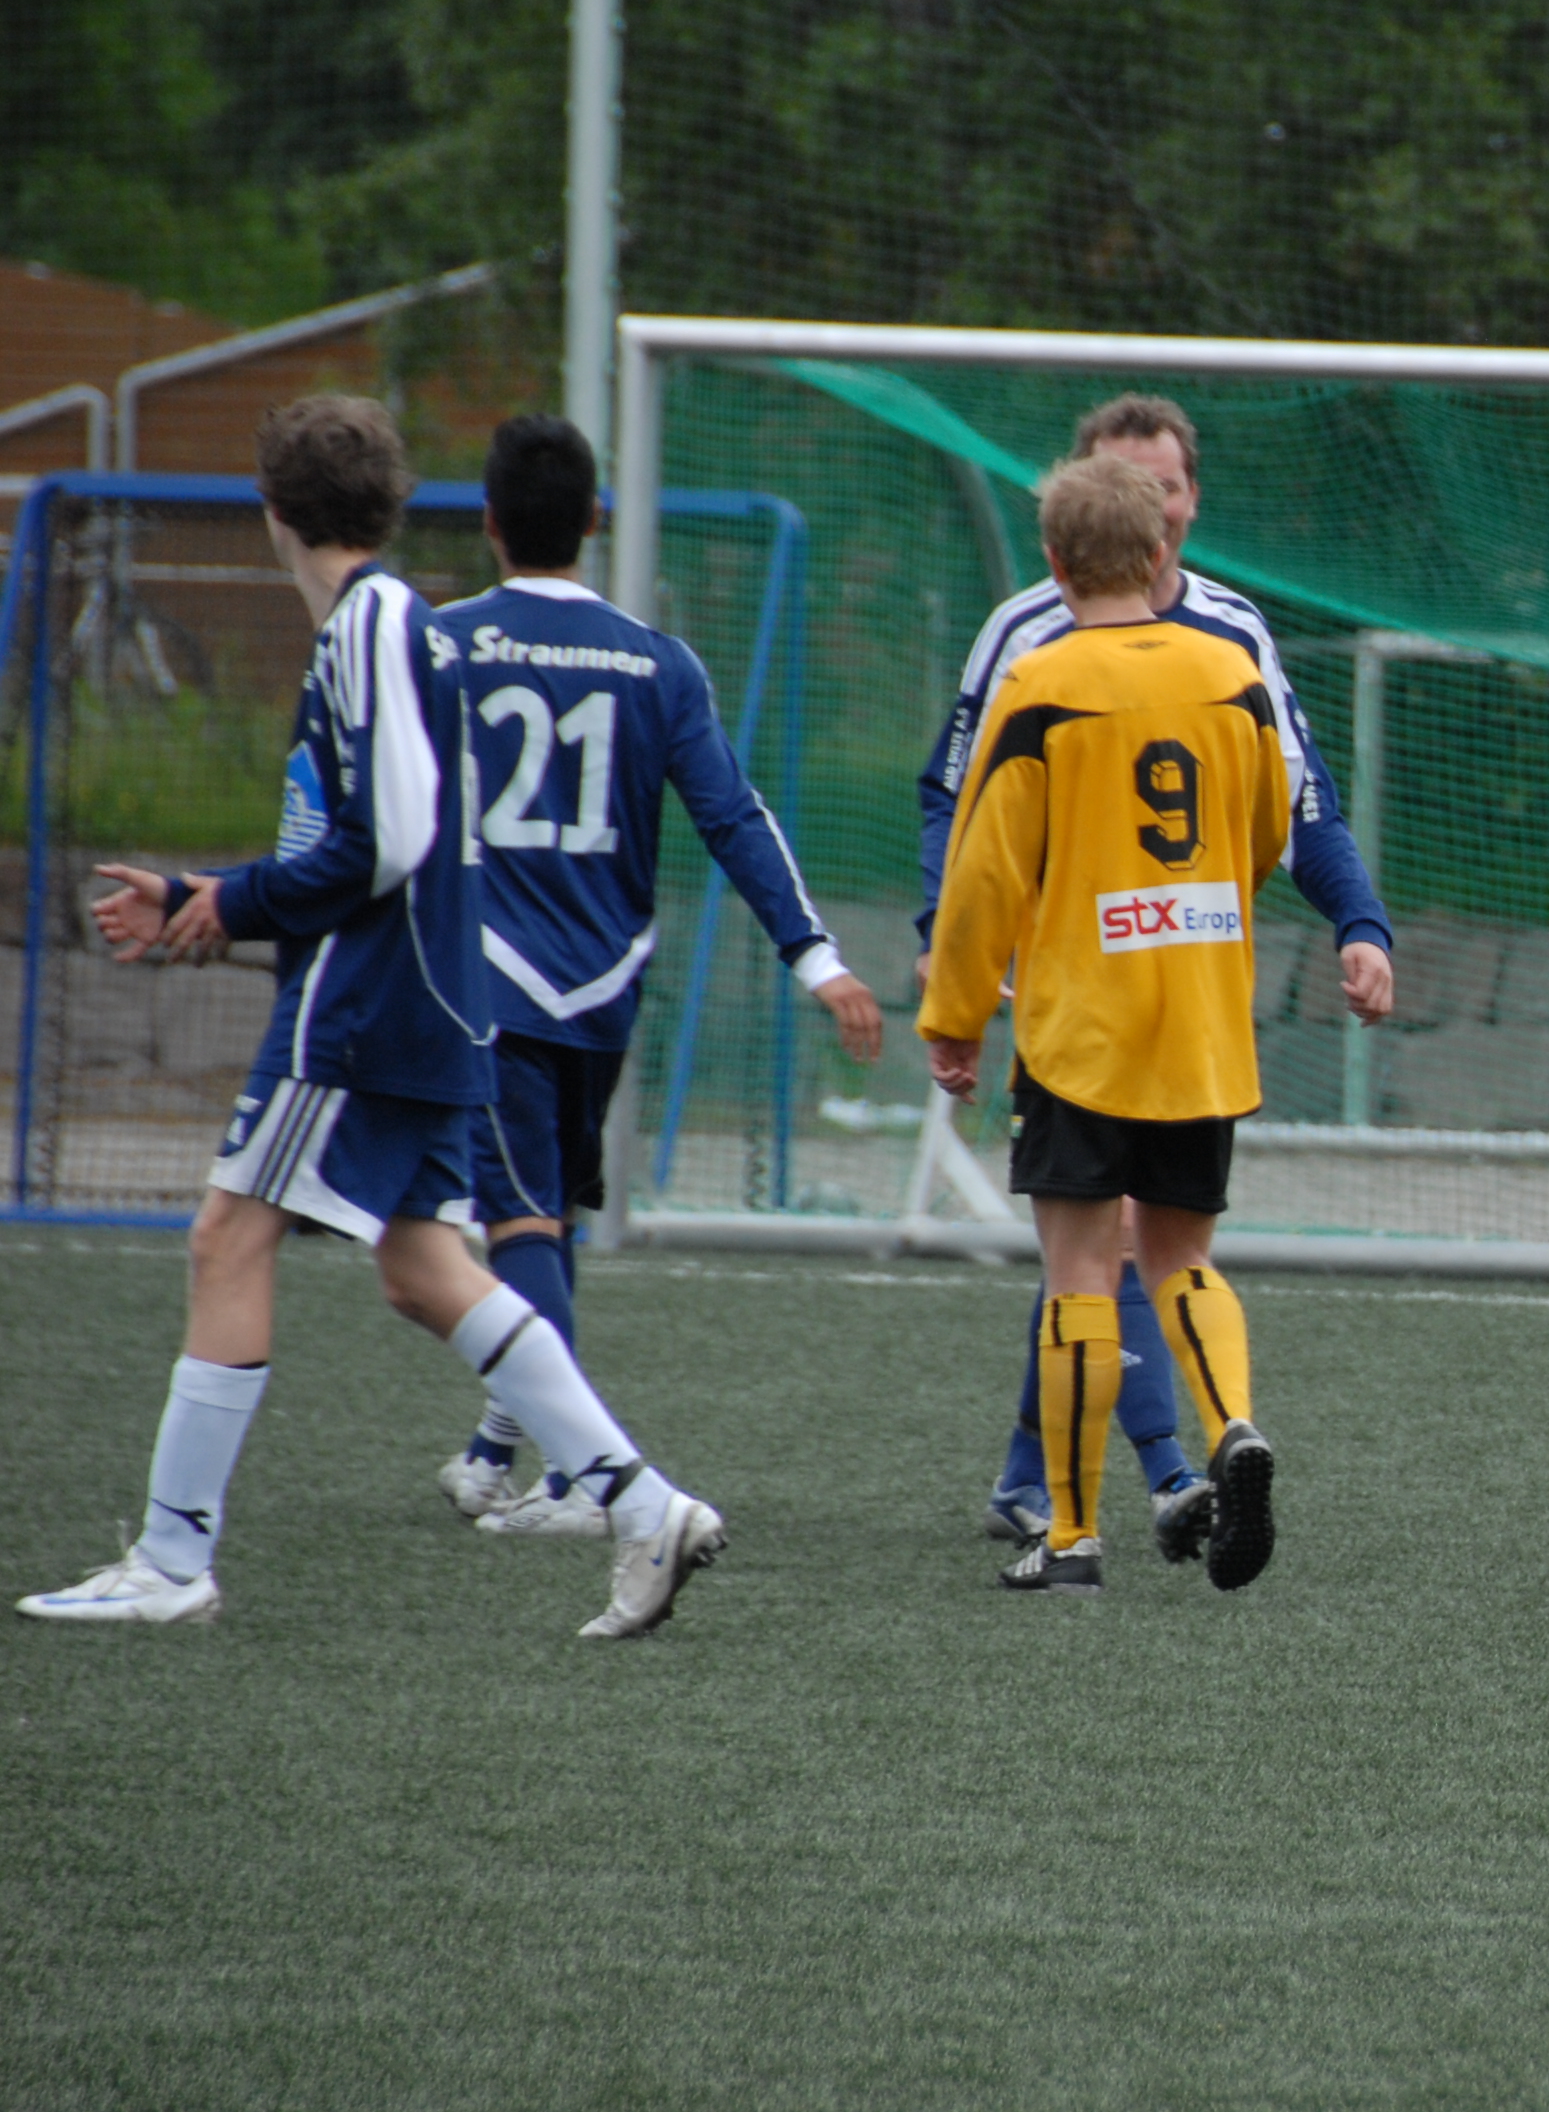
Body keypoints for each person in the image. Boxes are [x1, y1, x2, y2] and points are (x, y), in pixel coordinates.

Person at [26, 396, 725, 1640]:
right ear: (391, 500)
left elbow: (391, 839)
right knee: (422, 1270)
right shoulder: (393, 626)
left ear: (272, 509)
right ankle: (642, 1504)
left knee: (226, 1238)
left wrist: (234, 900)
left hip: (363, 1008)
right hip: (427, 999)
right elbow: (371, 837)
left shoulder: (373, 625)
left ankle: (172, 1561)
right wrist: (209, 893)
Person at [913, 393, 1393, 1563]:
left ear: (1058, 556)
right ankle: (1228, 1429)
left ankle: (1072, 1537)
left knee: (1080, 1273)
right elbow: (1273, 821)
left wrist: (954, 1009)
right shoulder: (1227, 671)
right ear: (1152, 538)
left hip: (1080, 1021)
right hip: (1199, 1018)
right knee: (1180, 1259)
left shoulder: (1043, 681)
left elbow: (983, 867)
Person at [430, 413, 885, 1538]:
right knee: (543, 1218)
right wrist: (817, 959)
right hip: (603, 988)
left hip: (487, 985)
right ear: (594, 519)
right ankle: (496, 1448)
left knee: (518, 1225)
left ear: (487, 521)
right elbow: (733, 817)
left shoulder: (438, 646)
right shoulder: (655, 659)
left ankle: (585, 1483)